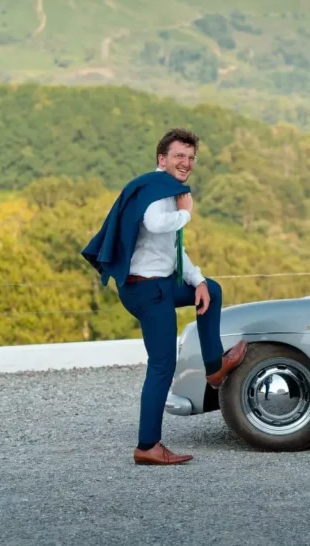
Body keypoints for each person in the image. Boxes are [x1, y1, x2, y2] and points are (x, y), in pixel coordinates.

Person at [82, 128, 248, 466]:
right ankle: (148, 445)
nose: (186, 163)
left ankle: (214, 368)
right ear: (162, 159)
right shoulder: (160, 193)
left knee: (211, 291)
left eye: (190, 158)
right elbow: (156, 224)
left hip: (155, 282)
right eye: (179, 156)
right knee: (162, 365)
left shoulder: (162, 189)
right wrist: (186, 212)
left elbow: (172, 249)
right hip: (148, 289)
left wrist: (197, 280)